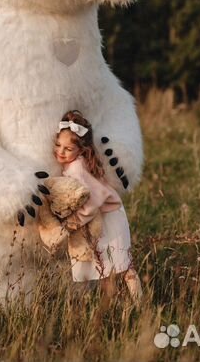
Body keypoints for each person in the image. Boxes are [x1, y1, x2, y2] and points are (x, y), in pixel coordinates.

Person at [53, 109, 142, 306]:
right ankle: (115, 305)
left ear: (81, 150)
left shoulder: (77, 168)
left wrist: (74, 221)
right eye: (58, 145)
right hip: (99, 218)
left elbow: (96, 197)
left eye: (68, 149)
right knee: (105, 268)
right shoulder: (70, 165)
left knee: (124, 266)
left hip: (111, 218)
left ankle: (140, 304)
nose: (60, 151)